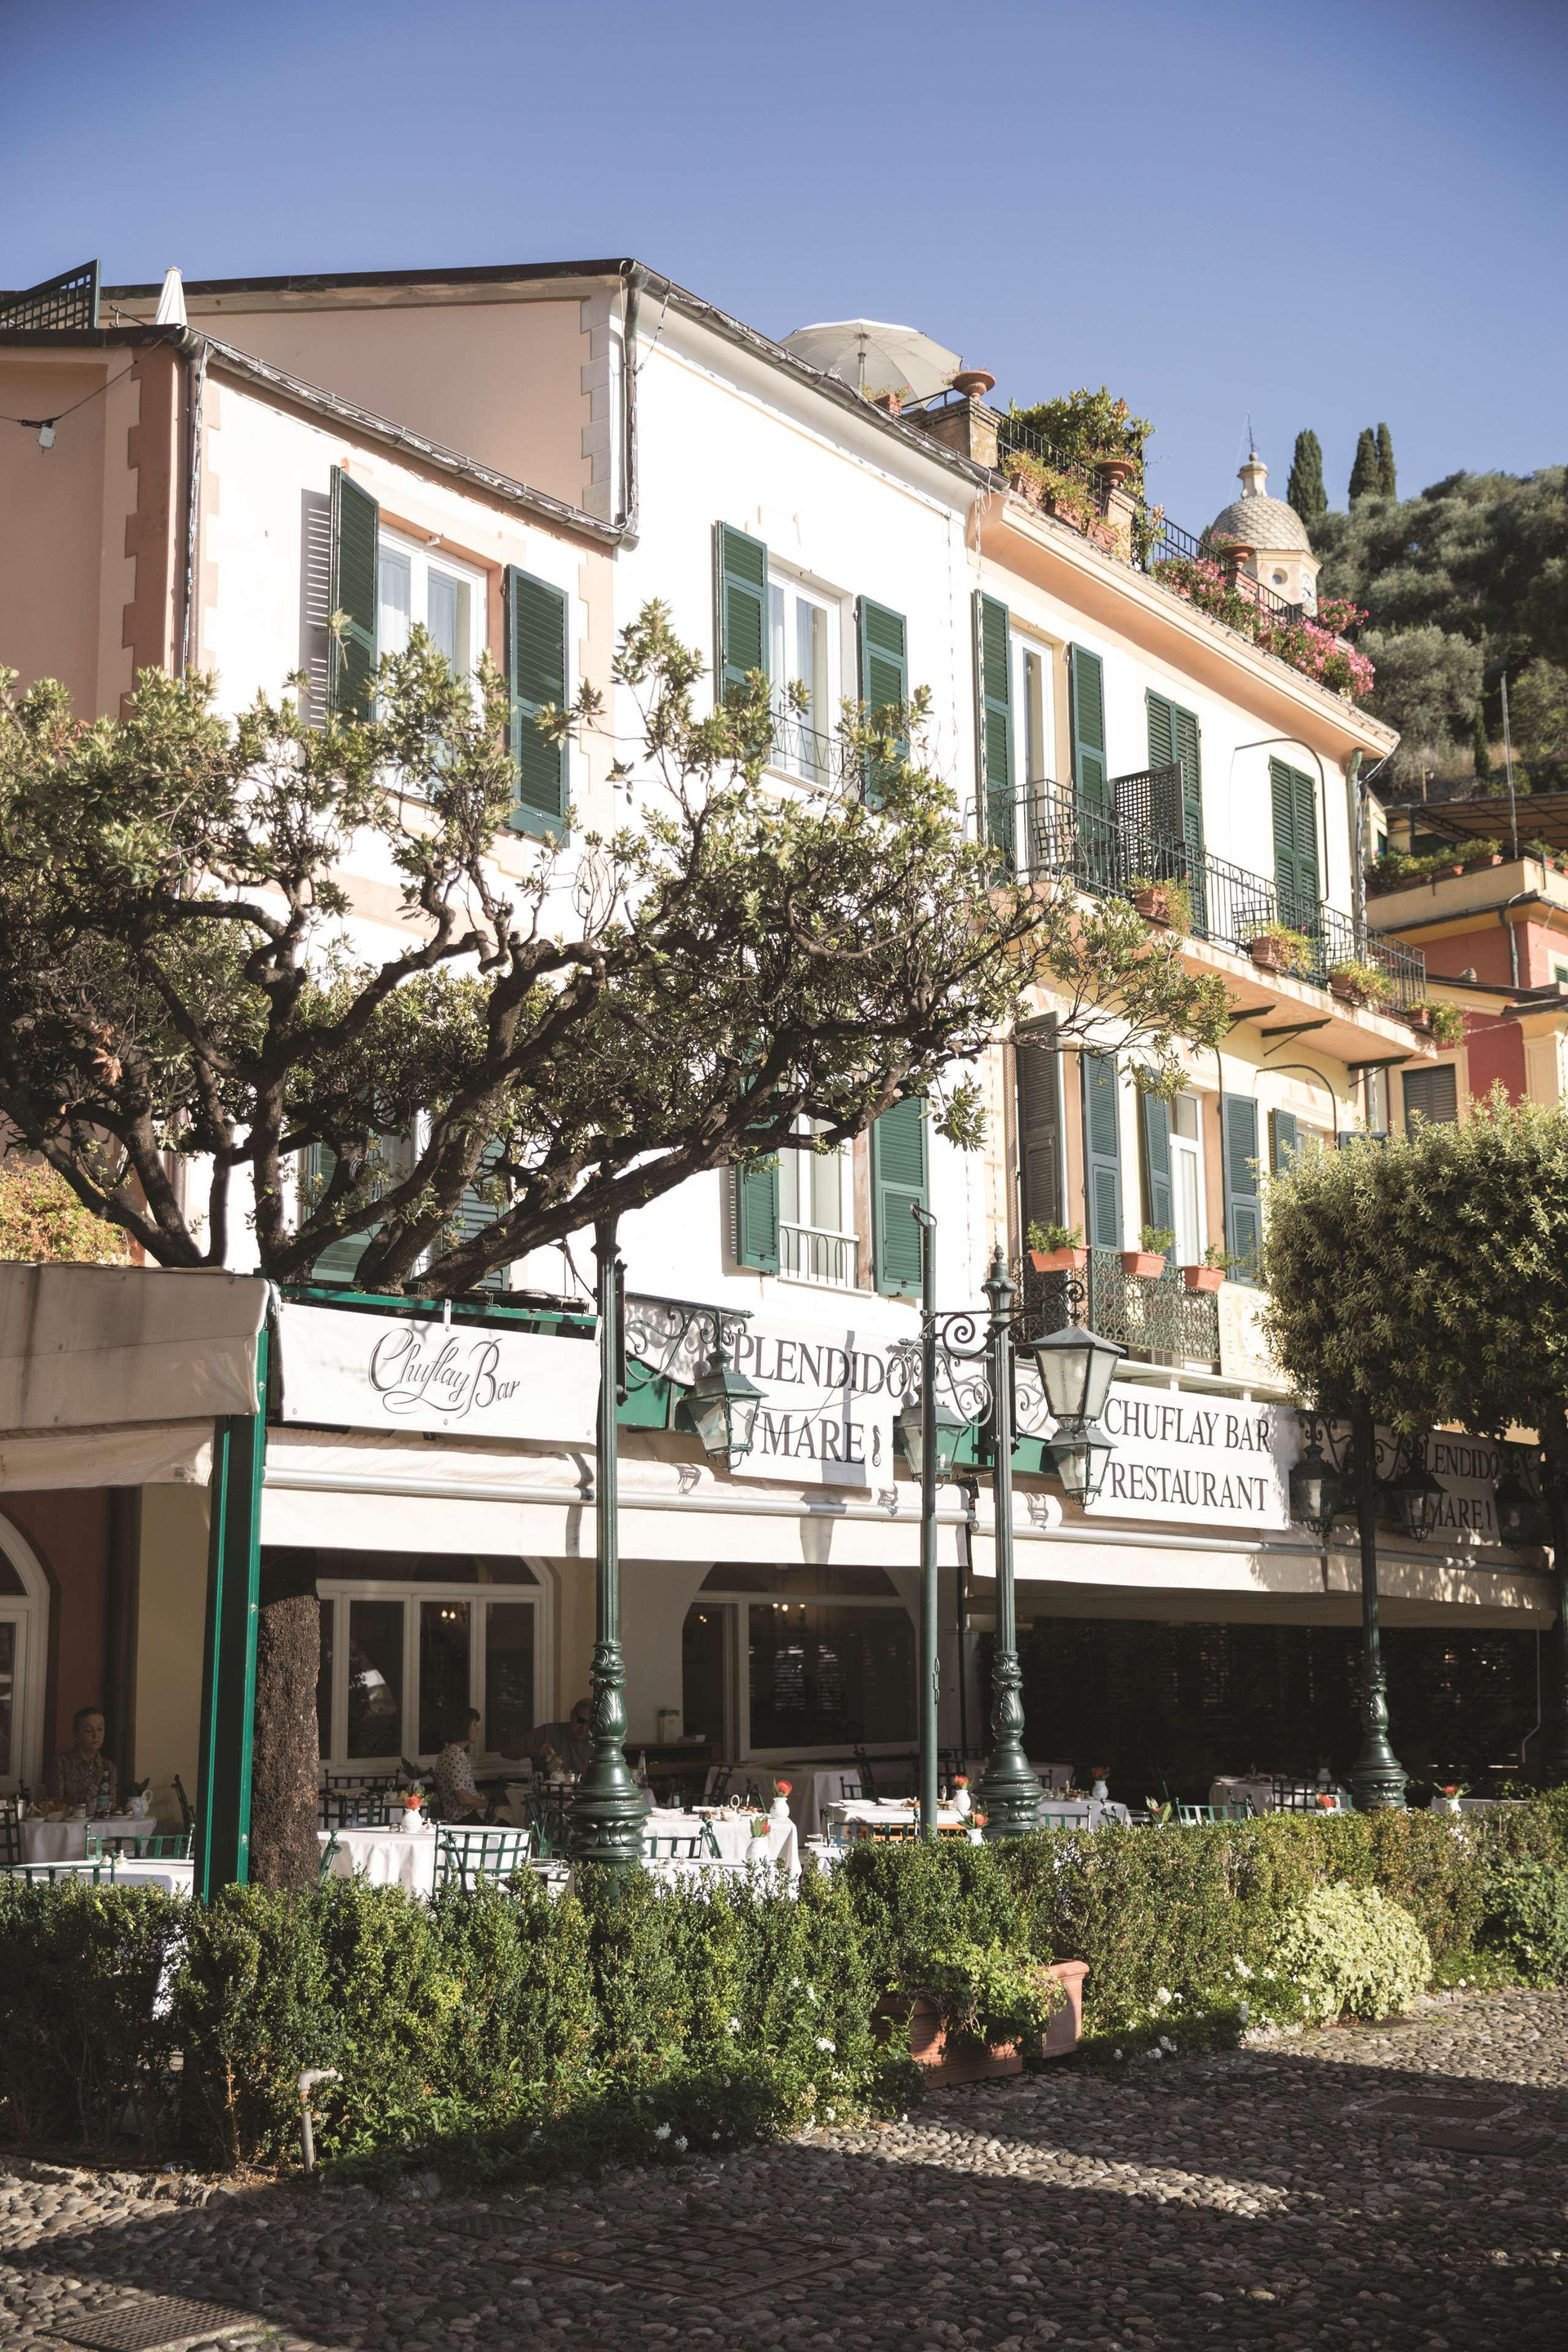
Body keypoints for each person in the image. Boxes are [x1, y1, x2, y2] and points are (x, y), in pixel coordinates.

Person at [46, 1706, 117, 1811]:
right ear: (76, 1733)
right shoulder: (61, 1763)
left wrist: (101, 1797)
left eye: (100, 1729)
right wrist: (82, 1797)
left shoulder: (109, 1767)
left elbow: (112, 1806)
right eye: (89, 1731)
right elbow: (55, 1803)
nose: (96, 1735)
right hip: (69, 1824)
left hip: (100, 1824)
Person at [431, 1706, 488, 1820]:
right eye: (474, 1725)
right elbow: (463, 1798)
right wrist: (489, 1806)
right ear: (464, 1727)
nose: (478, 1729)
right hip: (464, 1818)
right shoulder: (453, 1756)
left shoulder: (455, 1753)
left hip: (470, 1814)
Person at [527, 1699, 594, 1777]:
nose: (584, 1728)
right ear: (572, 1715)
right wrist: (534, 1750)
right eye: (581, 1721)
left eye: (590, 1724)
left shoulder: (599, 1743)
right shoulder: (548, 1732)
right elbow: (510, 1750)